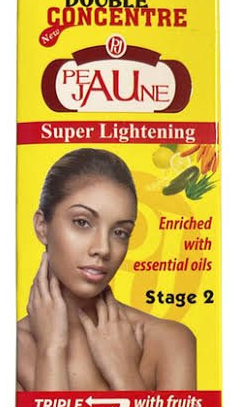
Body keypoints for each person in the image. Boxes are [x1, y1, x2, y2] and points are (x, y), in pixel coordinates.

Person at [17, 148, 196, 391]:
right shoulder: (13, 349)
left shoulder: (169, 341)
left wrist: (125, 374)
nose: (103, 248)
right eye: (82, 222)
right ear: (42, 226)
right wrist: (51, 350)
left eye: (120, 232)